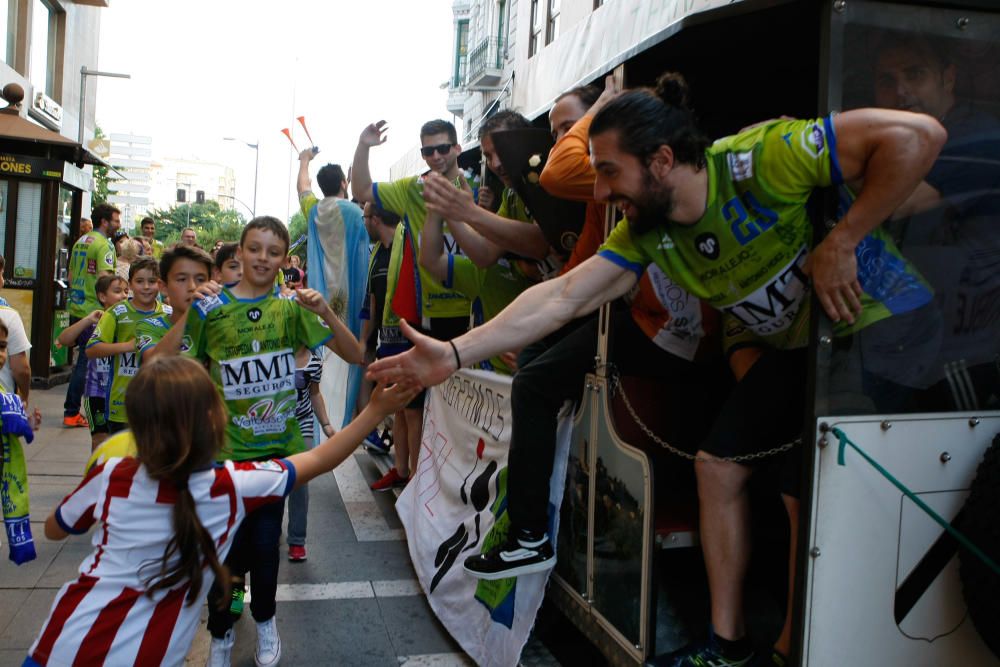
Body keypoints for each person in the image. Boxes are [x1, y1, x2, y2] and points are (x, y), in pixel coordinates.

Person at [368, 81, 946, 666]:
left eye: (609, 172)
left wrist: (844, 240)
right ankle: (729, 646)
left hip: (885, 334)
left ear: (662, 160)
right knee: (717, 467)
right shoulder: (645, 230)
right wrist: (456, 353)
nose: (598, 190)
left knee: (806, 485)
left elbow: (919, 137)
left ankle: (799, 646)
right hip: (803, 351)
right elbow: (564, 295)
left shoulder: (758, 158)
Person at [24, 355, 418, 667]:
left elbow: (56, 528)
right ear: (215, 420)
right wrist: (374, 410)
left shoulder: (113, 473)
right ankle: (224, 632)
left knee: (245, 574)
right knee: (234, 583)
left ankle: (255, 624)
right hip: (142, 654)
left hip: (58, 643)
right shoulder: (229, 485)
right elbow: (320, 459)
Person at [176, 216, 364, 667]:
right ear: (238, 253)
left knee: (263, 550)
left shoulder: (291, 310)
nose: (263, 258)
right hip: (221, 459)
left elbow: (356, 354)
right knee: (228, 557)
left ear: (284, 260)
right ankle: (224, 627)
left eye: (273, 251)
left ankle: (264, 621)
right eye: (255, 248)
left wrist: (325, 312)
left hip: (274, 459)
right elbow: (178, 372)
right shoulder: (210, 309)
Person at [297, 152, 369, 427]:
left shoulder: (313, 210)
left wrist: (304, 161)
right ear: (343, 182)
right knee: (354, 358)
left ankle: (325, 416)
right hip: (353, 300)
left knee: (324, 360)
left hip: (320, 302)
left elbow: (303, 188)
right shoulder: (358, 213)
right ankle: (355, 422)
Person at [86, 257, 167, 435]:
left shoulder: (168, 313)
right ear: (130, 285)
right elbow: (91, 349)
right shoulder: (116, 313)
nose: (146, 287)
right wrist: (128, 346)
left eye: (152, 281)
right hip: (121, 405)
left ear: (160, 285)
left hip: (158, 404)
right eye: (139, 281)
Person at [57, 275, 128, 450]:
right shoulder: (94, 323)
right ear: (102, 297)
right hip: (97, 392)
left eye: (126, 291)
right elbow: (64, 339)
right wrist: (88, 320)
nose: (124, 296)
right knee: (100, 440)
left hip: (122, 392)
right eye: (117, 291)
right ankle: (97, 474)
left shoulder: (130, 322)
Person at [65, 203, 120, 428]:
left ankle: (72, 410)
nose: (119, 225)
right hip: (93, 311)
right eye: (116, 220)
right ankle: (71, 412)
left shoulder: (81, 241)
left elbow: (70, 275)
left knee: (82, 361)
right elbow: (105, 280)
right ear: (104, 222)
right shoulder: (104, 246)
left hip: (77, 307)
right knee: (85, 364)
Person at [359, 202, 399, 456]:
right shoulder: (376, 253)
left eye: (365, 217)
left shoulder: (405, 245)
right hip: (382, 336)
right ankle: (373, 433)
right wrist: (364, 341)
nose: (363, 223)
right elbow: (372, 299)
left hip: (403, 337)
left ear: (374, 219)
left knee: (406, 406)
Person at [285, 346, 333, 562]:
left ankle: (297, 541)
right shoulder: (274, 354)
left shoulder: (314, 362)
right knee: (272, 480)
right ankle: (268, 530)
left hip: (302, 424)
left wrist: (326, 424)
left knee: (299, 482)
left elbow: (315, 394)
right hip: (274, 426)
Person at [135, 245, 213, 363]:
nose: (192, 287)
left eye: (200, 280)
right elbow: (153, 363)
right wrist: (191, 313)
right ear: (163, 287)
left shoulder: (216, 324)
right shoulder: (148, 326)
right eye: (182, 279)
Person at [0, 256, 32, 405]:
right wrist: (24, 397)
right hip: (4, 406)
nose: (3, 280)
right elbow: (21, 369)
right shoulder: (8, 316)